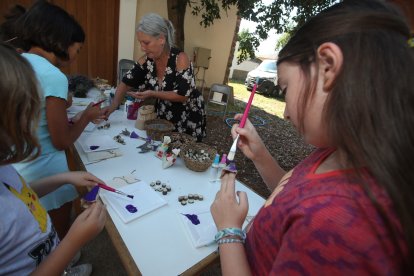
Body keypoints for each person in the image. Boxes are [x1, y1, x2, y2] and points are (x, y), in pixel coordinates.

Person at [210, 0, 413, 275]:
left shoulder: (338, 227)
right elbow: (293, 193)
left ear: (328, 67)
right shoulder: (337, 150)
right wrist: (260, 154)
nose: (284, 113)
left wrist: (229, 232)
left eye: (286, 89)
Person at [0, 43, 106, 276]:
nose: (34, 123)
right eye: (26, 112)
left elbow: (21, 195)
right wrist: (73, 241)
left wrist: (65, 177)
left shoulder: (4, 167)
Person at [12, 1, 105, 240]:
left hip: (19, 168)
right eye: (78, 48)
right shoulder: (54, 75)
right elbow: (62, 141)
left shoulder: (18, 62)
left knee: (34, 235)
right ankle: (64, 266)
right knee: (56, 236)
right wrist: (87, 116)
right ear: (61, 40)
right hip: (45, 170)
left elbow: (35, 113)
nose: (75, 56)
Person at [103, 13, 206, 141]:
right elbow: (125, 82)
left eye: (146, 43)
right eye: (140, 43)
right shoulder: (146, 61)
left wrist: (152, 93)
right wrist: (114, 105)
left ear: (161, 39)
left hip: (188, 116)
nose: (142, 48)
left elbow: (182, 95)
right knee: (162, 152)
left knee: (180, 154)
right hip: (164, 116)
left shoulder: (180, 59)